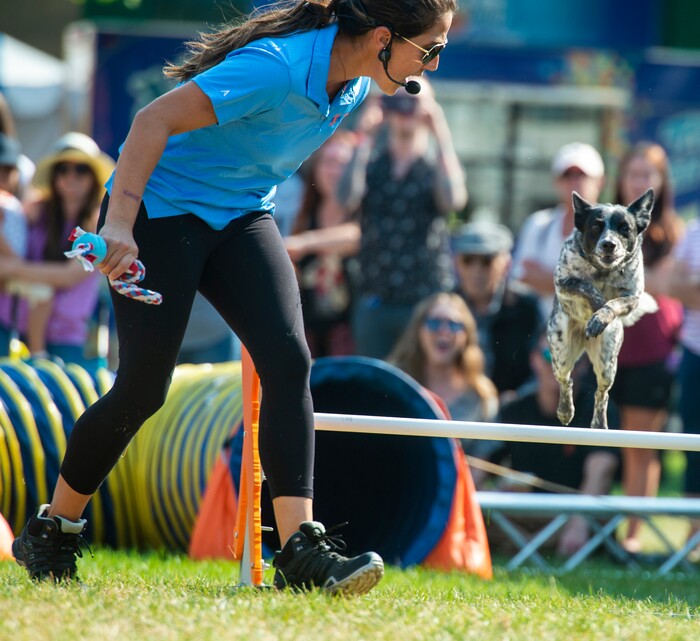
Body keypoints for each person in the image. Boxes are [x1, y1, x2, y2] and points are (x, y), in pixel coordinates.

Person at [11, 0, 457, 594]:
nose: (429, 66)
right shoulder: (276, 66)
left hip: (243, 212)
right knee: (143, 388)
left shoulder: (349, 87)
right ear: (382, 36)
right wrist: (118, 223)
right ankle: (53, 528)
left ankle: (300, 550)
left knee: (289, 360)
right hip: (160, 211)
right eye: (429, 48)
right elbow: (150, 122)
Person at [338, 75, 467, 359]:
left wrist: (441, 133)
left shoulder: (435, 167)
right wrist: (364, 136)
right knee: (373, 387)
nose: (405, 109)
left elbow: (453, 201)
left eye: (414, 101)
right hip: (376, 298)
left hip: (425, 301)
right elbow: (345, 199)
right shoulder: (372, 165)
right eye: (397, 101)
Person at [609, 142, 684, 554]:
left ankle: (633, 535)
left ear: (660, 182)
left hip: (652, 349)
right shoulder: (606, 221)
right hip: (610, 347)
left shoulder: (673, 231)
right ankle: (618, 530)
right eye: (633, 172)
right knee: (620, 448)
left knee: (641, 447)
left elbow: (659, 283)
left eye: (647, 174)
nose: (639, 181)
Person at [485, 335, 620, 557]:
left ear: (585, 364)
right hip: (523, 514)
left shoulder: (601, 409)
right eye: (550, 355)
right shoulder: (513, 410)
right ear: (533, 360)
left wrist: (578, 522)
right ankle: (533, 544)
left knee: (604, 513)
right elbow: (481, 469)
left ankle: (525, 545)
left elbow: (601, 472)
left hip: (578, 514)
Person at [0, 132, 114, 366]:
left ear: (93, 177)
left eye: (81, 169)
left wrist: (12, 268)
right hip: (18, 332)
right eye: (63, 168)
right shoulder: (35, 211)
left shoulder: (100, 227)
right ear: (54, 175)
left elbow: (70, 276)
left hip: (72, 343)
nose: (71, 176)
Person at [388, 291, 499, 464]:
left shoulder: (482, 395)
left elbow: (481, 465)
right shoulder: (394, 383)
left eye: (454, 324)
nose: (444, 331)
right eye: (434, 323)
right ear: (418, 331)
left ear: (466, 335)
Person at [510, 141, 606, 320]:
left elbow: (605, 288)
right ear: (556, 182)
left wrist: (542, 278)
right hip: (541, 337)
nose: (574, 182)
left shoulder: (612, 228)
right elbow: (520, 274)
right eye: (567, 175)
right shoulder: (538, 224)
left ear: (600, 181)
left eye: (582, 175)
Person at [286, 130, 361, 357]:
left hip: (351, 335)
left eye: (343, 164)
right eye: (329, 162)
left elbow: (358, 236)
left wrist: (303, 243)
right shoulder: (303, 214)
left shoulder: (361, 215)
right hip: (308, 333)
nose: (335, 171)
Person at [451, 220, 542, 401]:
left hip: (512, 416)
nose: (476, 270)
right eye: (468, 260)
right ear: (456, 263)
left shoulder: (527, 307)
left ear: (506, 264)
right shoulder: (444, 308)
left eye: (486, 261)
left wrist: (518, 399)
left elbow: (543, 367)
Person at [668, 211, 700, 546]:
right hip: (695, 352)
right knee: (693, 448)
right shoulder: (695, 231)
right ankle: (694, 539)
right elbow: (671, 285)